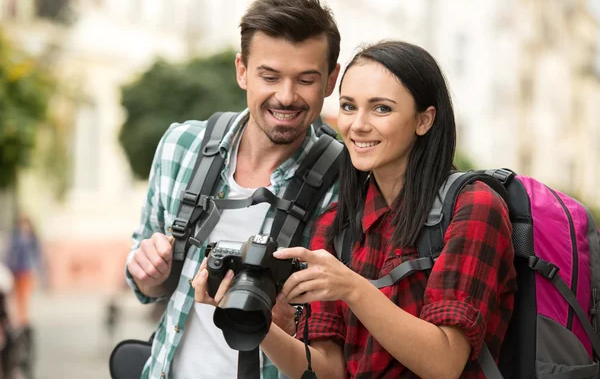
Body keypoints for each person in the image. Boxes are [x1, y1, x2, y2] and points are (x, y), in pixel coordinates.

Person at [194, 41, 517, 378]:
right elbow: (328, 370)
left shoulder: (473, 206)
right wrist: (250, 317)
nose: (358, 125)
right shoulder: (338, 223)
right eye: (349, 107)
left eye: (381, 109)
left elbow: (445, 363)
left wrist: (351, 287)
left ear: (424, 120)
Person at [125, 0, 341, 379]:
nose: (286, 96)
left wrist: (287, 320)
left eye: (306, 80)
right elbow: (145, 281)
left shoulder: (346, 183)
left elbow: (339, 344)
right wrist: (148, 273)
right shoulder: (181, 146)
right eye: (270, 76)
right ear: (242, 71)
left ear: (331, 81)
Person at [4, 214, 40, 330]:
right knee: (15, 296)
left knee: (24, 296)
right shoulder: (15, 237)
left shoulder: (32, 238)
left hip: (27, 271)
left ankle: (23, 319)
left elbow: (37, 255)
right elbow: (9, 253)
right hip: (15, 269)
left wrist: (36, 270)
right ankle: (18, 319)